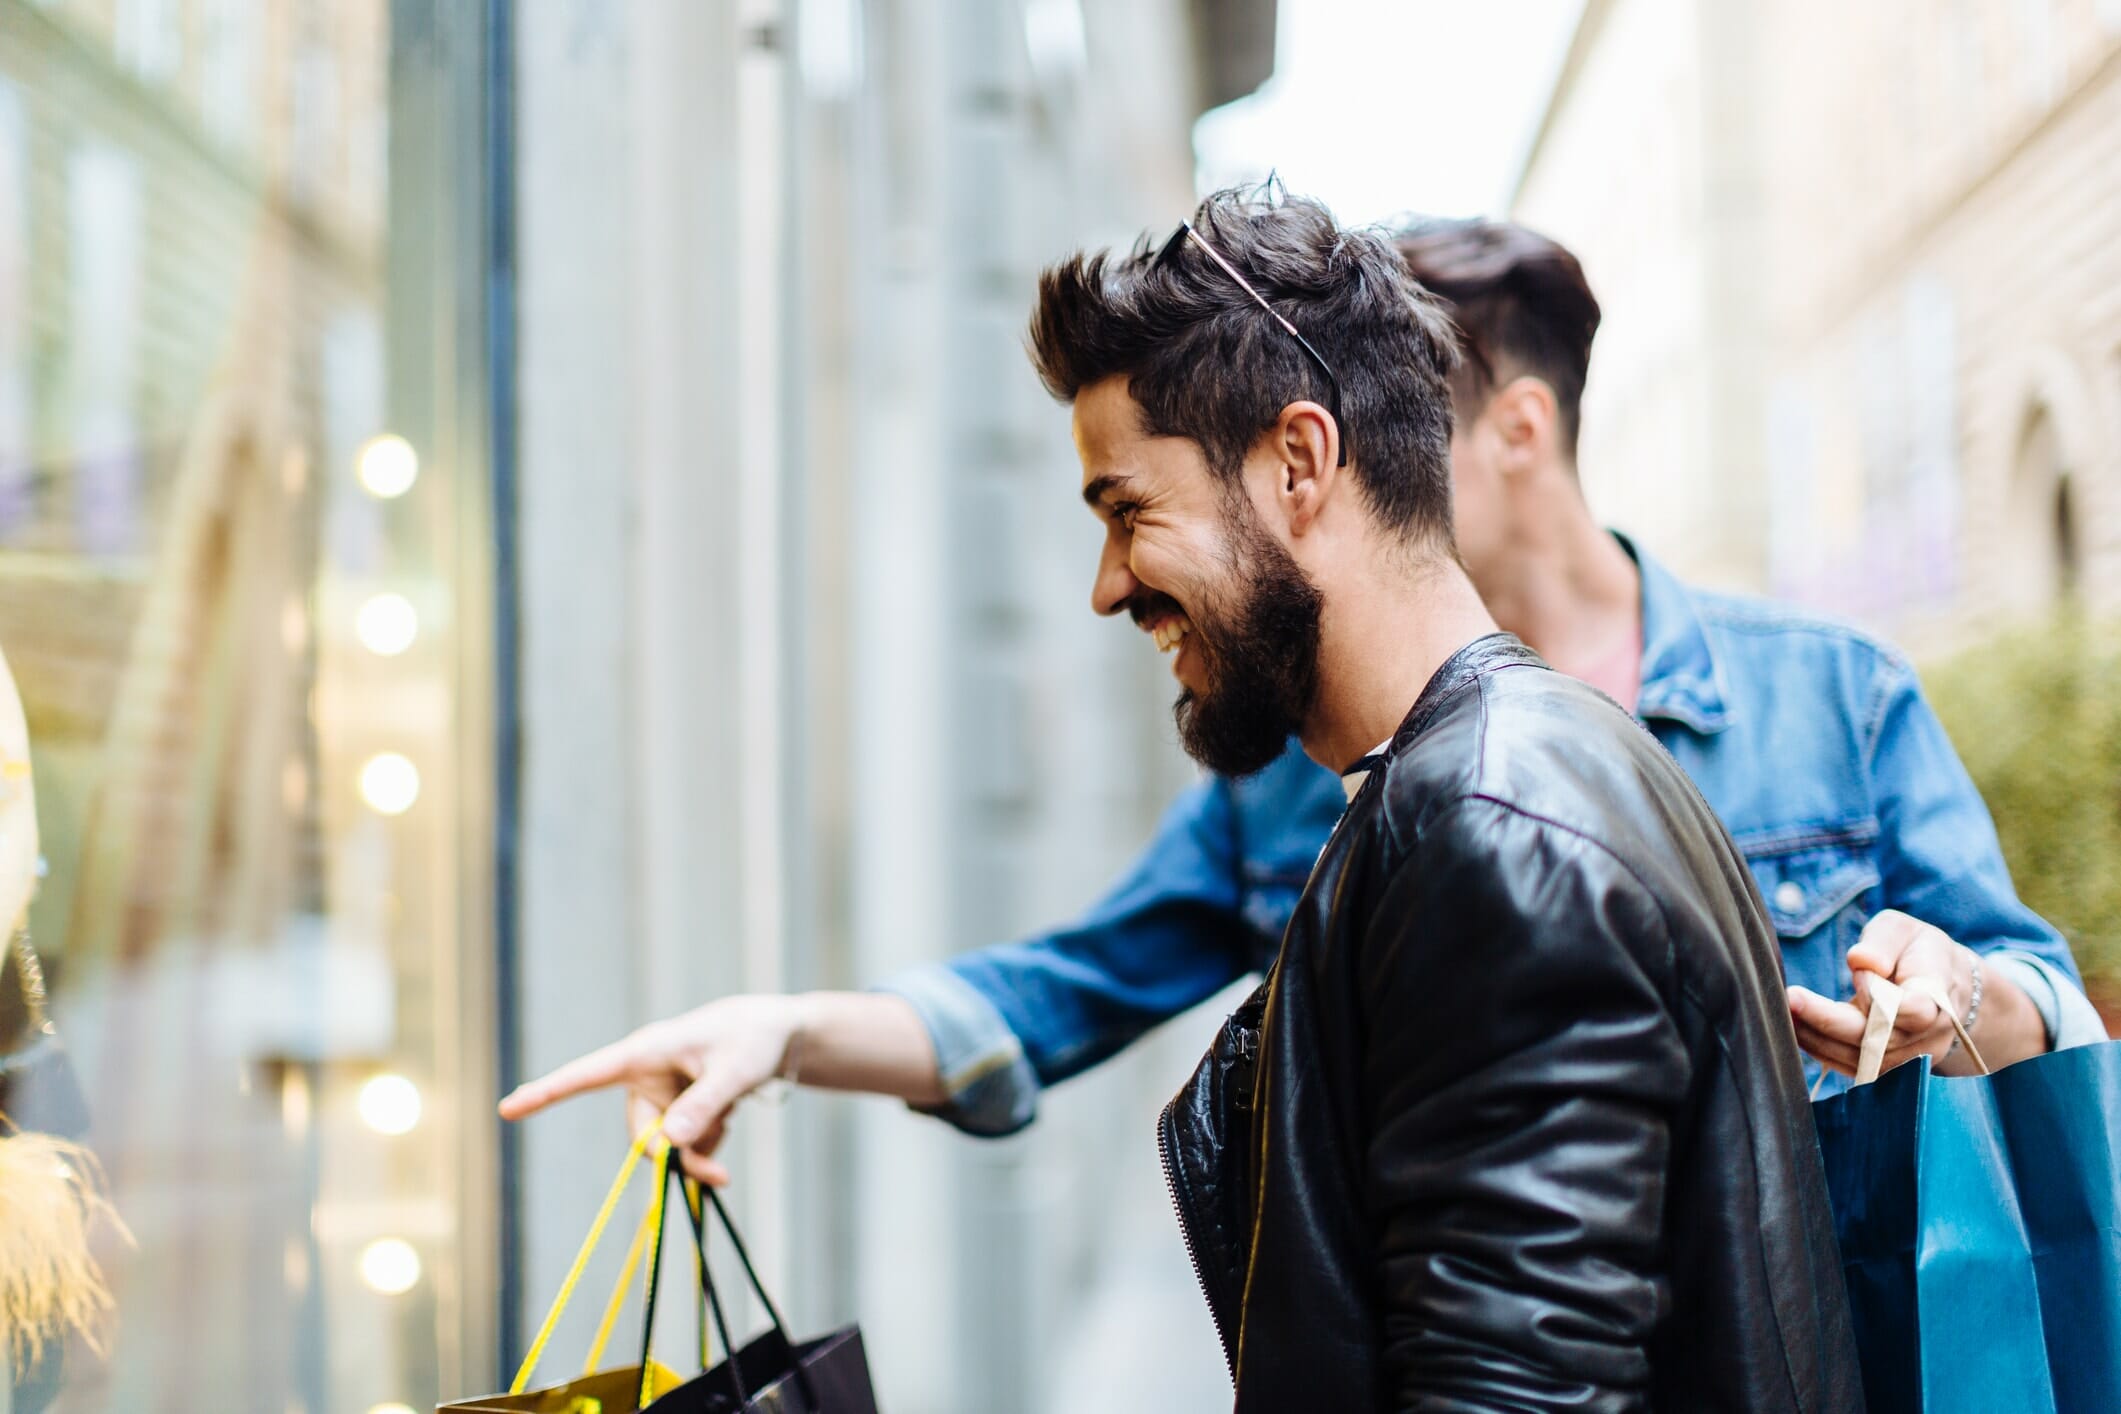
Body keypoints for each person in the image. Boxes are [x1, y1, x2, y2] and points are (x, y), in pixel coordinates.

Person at [517, 187, 1864, 1408]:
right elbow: (1069, 985)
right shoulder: (1519, 768)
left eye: (1125, 510)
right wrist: (786, 1028)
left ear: (1297, 463)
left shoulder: (1483, 829)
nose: (1107, 584)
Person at [500, 215, 2101, 1174]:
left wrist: (1961, 997)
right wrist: (783, 1029)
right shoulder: (1301, 760)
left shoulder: (1824, 693)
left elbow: (2045, 1002)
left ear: (1512, 433)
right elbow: (1062, 988)